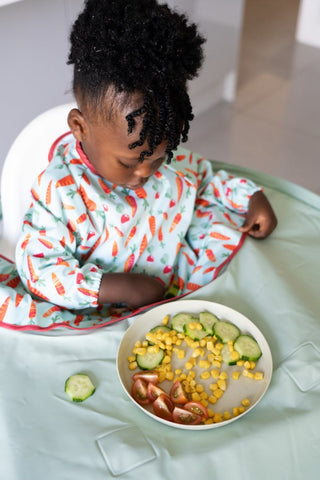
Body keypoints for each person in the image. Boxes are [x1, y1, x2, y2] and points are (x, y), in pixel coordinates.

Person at [15, 0, 277, 319]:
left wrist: (251, 197)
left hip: (173, 282)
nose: (144, 172)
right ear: (80, 128)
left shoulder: (156, 156)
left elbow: (204, 177)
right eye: (128, 162)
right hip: (105, 311)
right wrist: (112, 287)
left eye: (157, 159)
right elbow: (37, 269)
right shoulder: (59, 191)